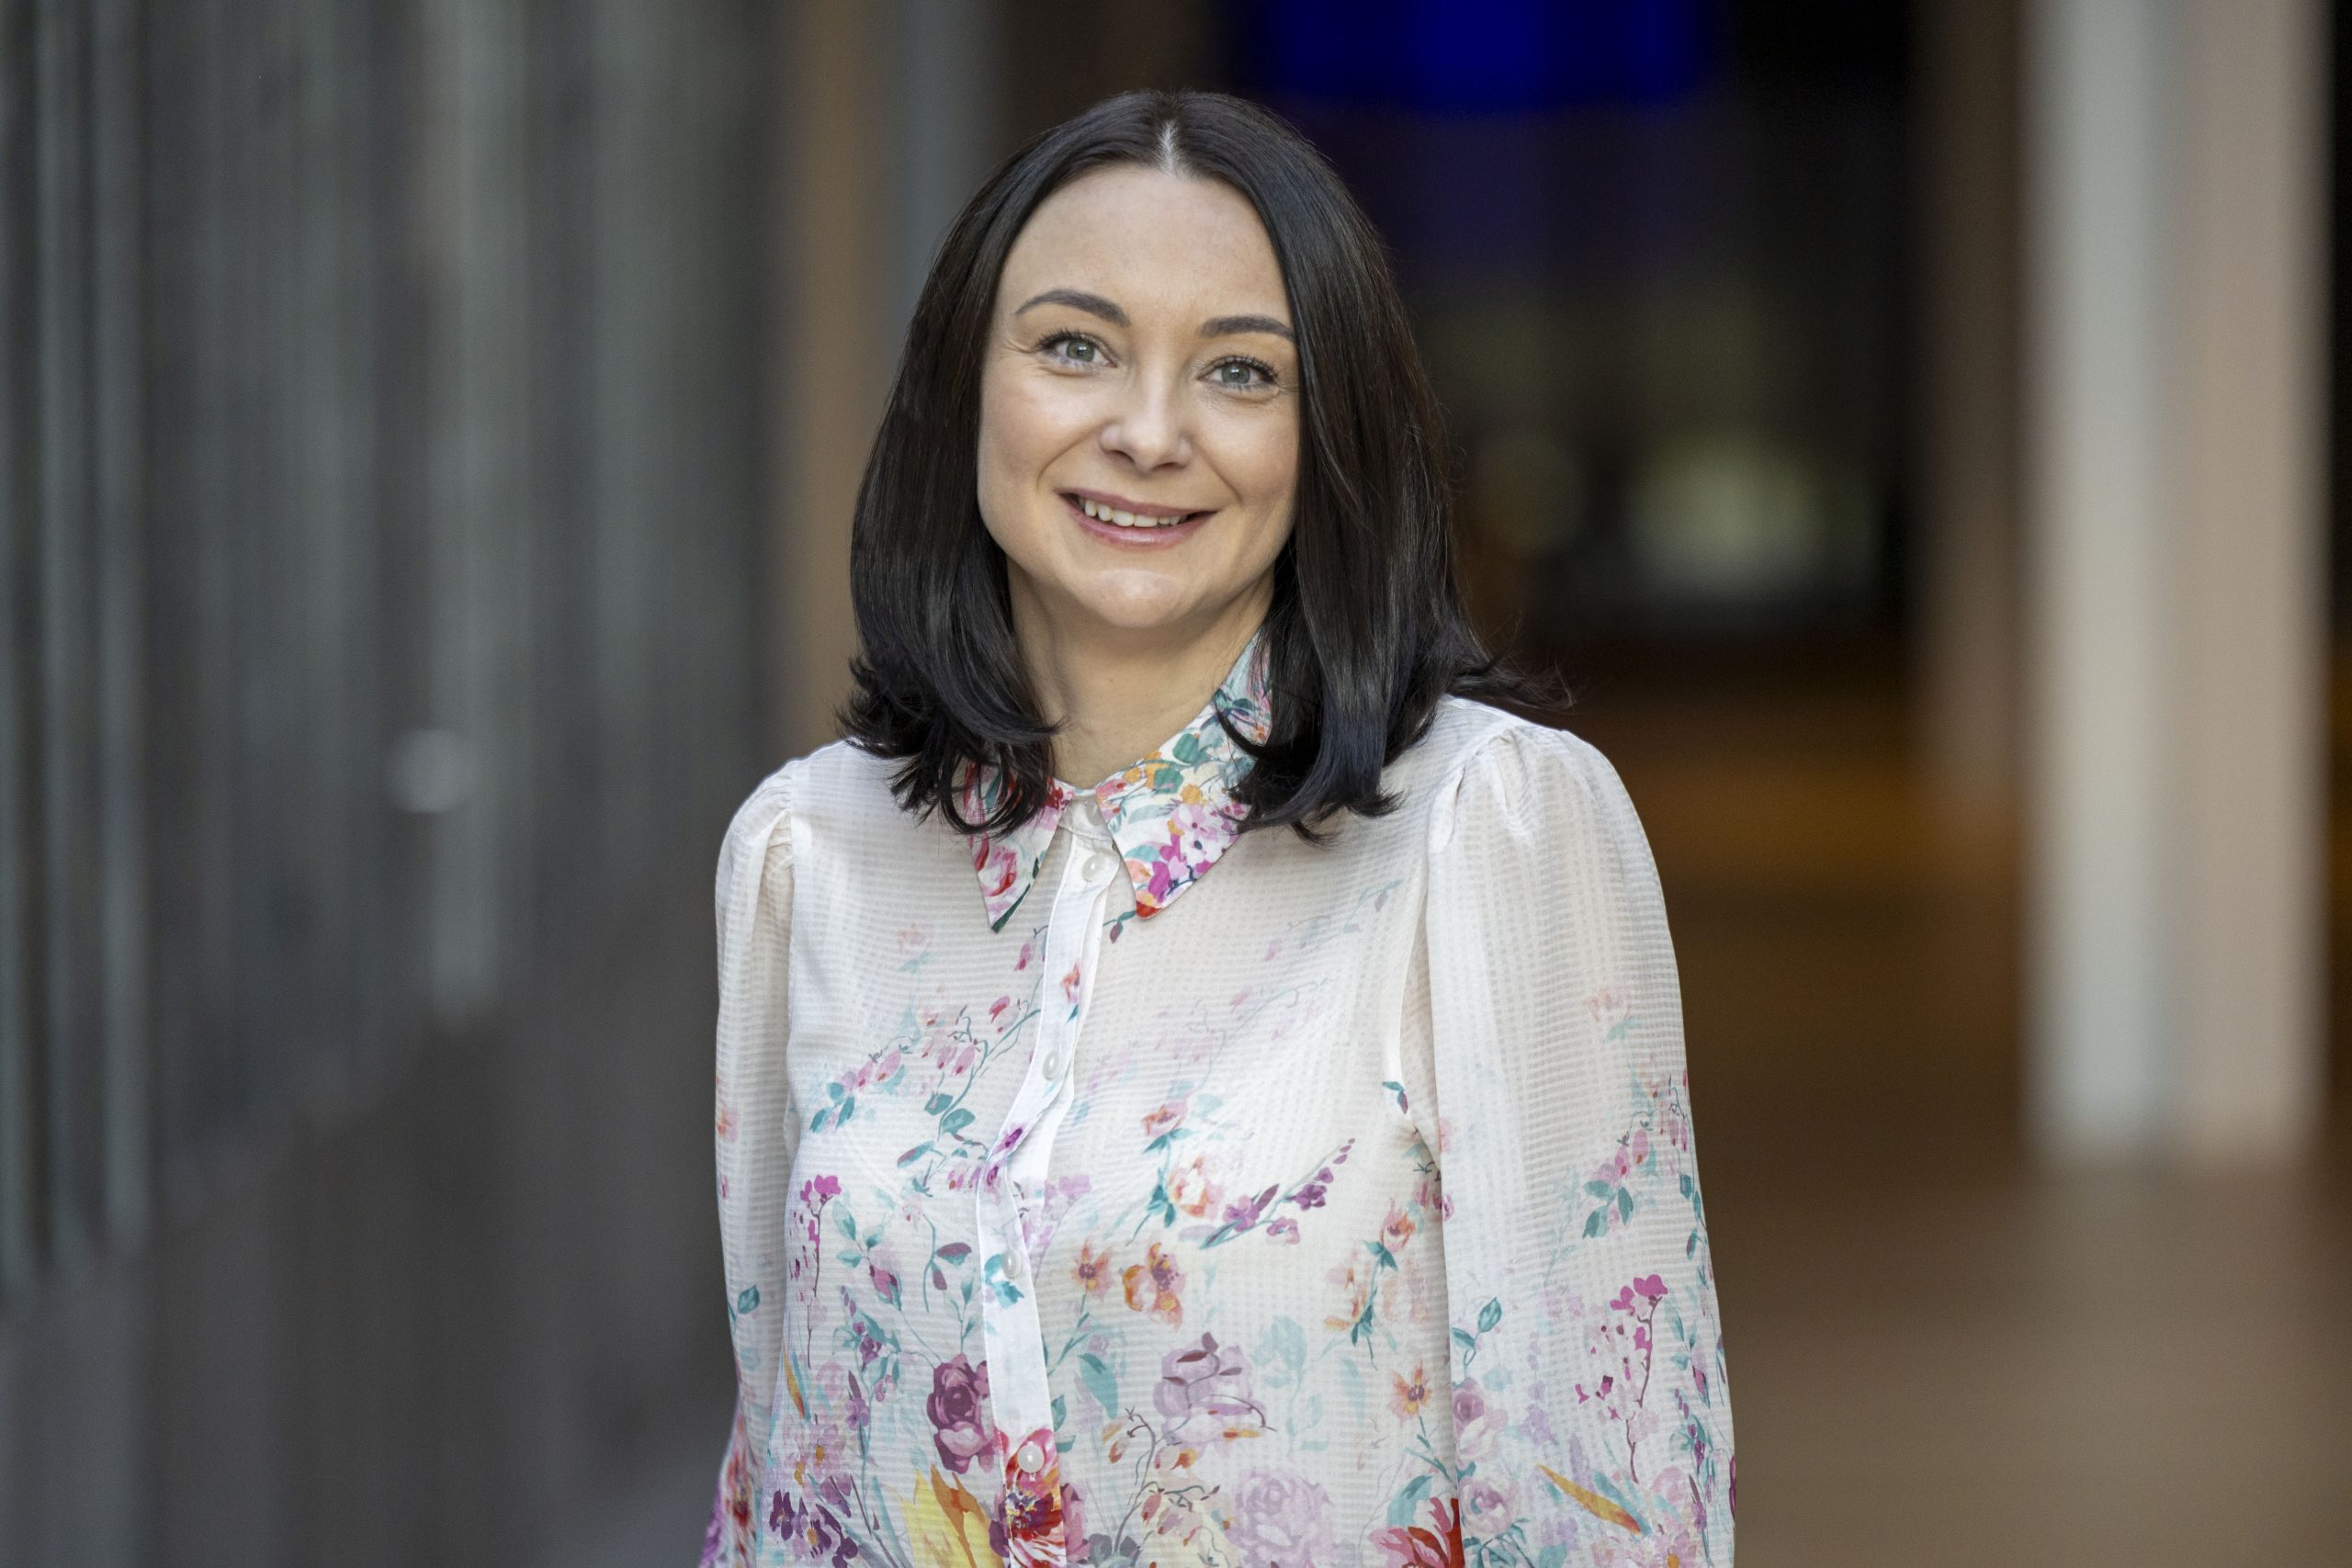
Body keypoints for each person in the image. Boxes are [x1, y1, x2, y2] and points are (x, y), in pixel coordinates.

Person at [702, 88, 1732, 1568]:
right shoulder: (805, 856)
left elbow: (1617, 1491)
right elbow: (775, 1469)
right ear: (962, 388)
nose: (1148, 431)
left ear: (1329, 436)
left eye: (1241, 372)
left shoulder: (1493, 831)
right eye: (1075, 348)